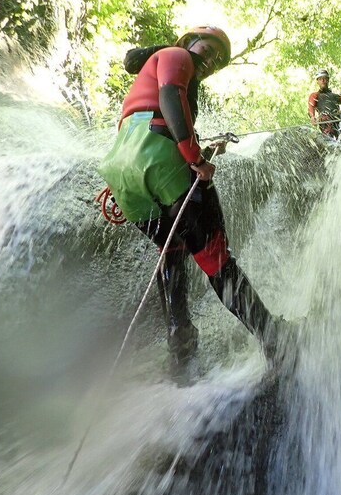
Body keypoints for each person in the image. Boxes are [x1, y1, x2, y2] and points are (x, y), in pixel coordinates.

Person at [97, 25, 285, 360]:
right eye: (209, 49)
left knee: (173, 252)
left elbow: (146, 124)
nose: (212, 60)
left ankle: (180, 341)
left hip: (127, 173)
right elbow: (171, 96)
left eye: (218, 59)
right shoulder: (176, 55)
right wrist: (196, 158)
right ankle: (273, 338)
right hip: (161, 159)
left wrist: (202, 153)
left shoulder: (146, 79)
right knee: (215, 259)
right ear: (189, 42)